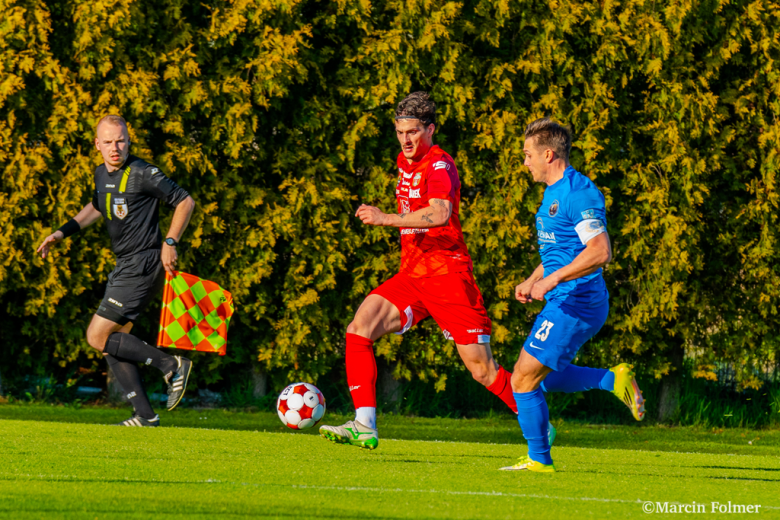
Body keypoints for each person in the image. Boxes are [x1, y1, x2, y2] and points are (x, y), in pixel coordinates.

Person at [319, 91, 522, 450]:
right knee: (359, 328)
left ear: (430, 129)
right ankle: (364, 424)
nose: (406, 140)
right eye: (400, 132)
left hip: (447, 276)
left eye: (413, 132)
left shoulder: (440, 165)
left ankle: (537, 423)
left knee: (482, 370)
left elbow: (441, 212)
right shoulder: (404, 162)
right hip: (413, 275)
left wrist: (386, 219)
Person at [499, 118, 645, 473]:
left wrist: (550, 282)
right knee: (543, 378)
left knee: (522, 378)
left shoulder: (579, 194)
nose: (525, 162)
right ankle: (612, 380)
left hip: (578, 301)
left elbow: (599, 251)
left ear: (548, 154)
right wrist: (533, 277)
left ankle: (540, 462)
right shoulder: (553, 192)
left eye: (528, 155)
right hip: (565, 297)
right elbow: (560, 249)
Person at [36, 115, 197, 427]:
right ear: (97, 145)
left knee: (96, 336)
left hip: (144, 262)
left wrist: (170, 241)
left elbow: (185, 202)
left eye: (120, 140)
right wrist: (61, 233)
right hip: (125, 264)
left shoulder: (142, 172)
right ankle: (145, 416)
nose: (115, 147)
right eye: (108, 142)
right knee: (114, 341)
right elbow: (97, 206)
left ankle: (171, 365)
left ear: (128, 140)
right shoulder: (101, 174)